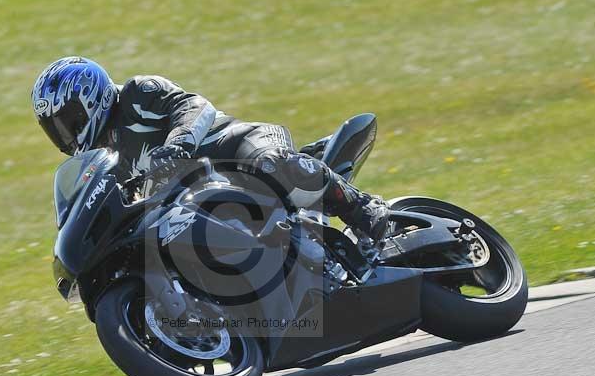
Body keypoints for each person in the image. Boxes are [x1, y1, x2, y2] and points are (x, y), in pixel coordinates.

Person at [32, 56, 388, 241]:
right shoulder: (109, 161)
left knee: (270, 162)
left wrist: (178, 144)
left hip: (235, 145)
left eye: (69, 120)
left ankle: (364, 208)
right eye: (56, 129)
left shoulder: (137, 93)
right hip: (203, 200)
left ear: (90, 97)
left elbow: (194, 106)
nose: (66, 135)